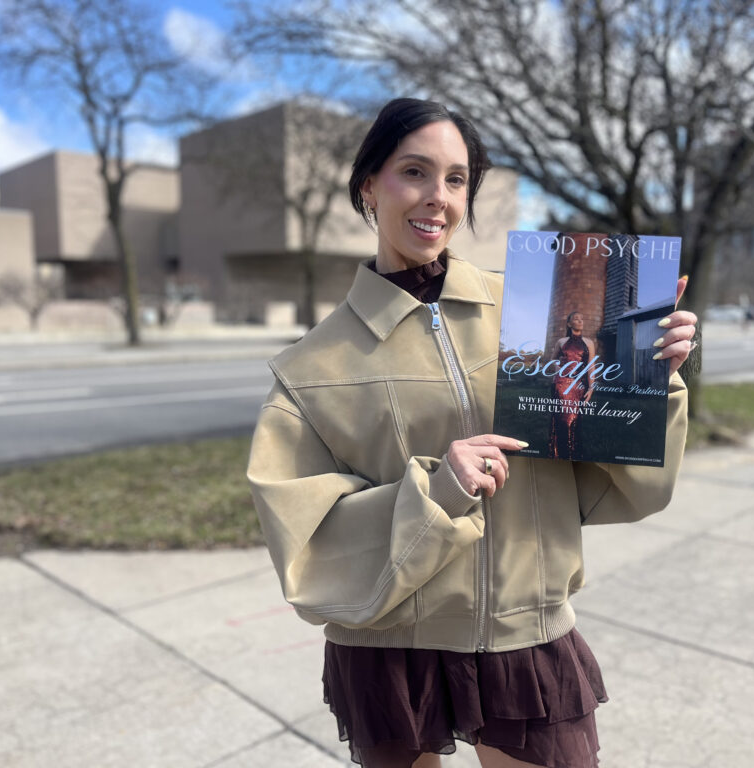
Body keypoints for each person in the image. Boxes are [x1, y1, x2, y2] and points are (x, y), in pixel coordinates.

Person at [247, 98, 697, 768]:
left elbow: (618, 488)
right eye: (415, 172)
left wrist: (650, 379)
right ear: (369, 184)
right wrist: (436, 490)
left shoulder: (534, 315)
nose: (438, 198)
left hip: (526, 633)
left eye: (456, 179)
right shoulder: (310, 367)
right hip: (387, 648)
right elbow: (304, 542)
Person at [548, 312, 596, 459]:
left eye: (582, 319)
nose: (580, 321)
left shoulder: (589, 343)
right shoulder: (561, 342)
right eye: (576, 319)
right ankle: (560, 453)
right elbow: (552, 360)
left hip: (579, 386)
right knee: (563, 420)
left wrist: (591, 388)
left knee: (575, 420)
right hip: (561, 384)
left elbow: (591, 366)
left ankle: (573, 453)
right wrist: (558, 368)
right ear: (569, 324)